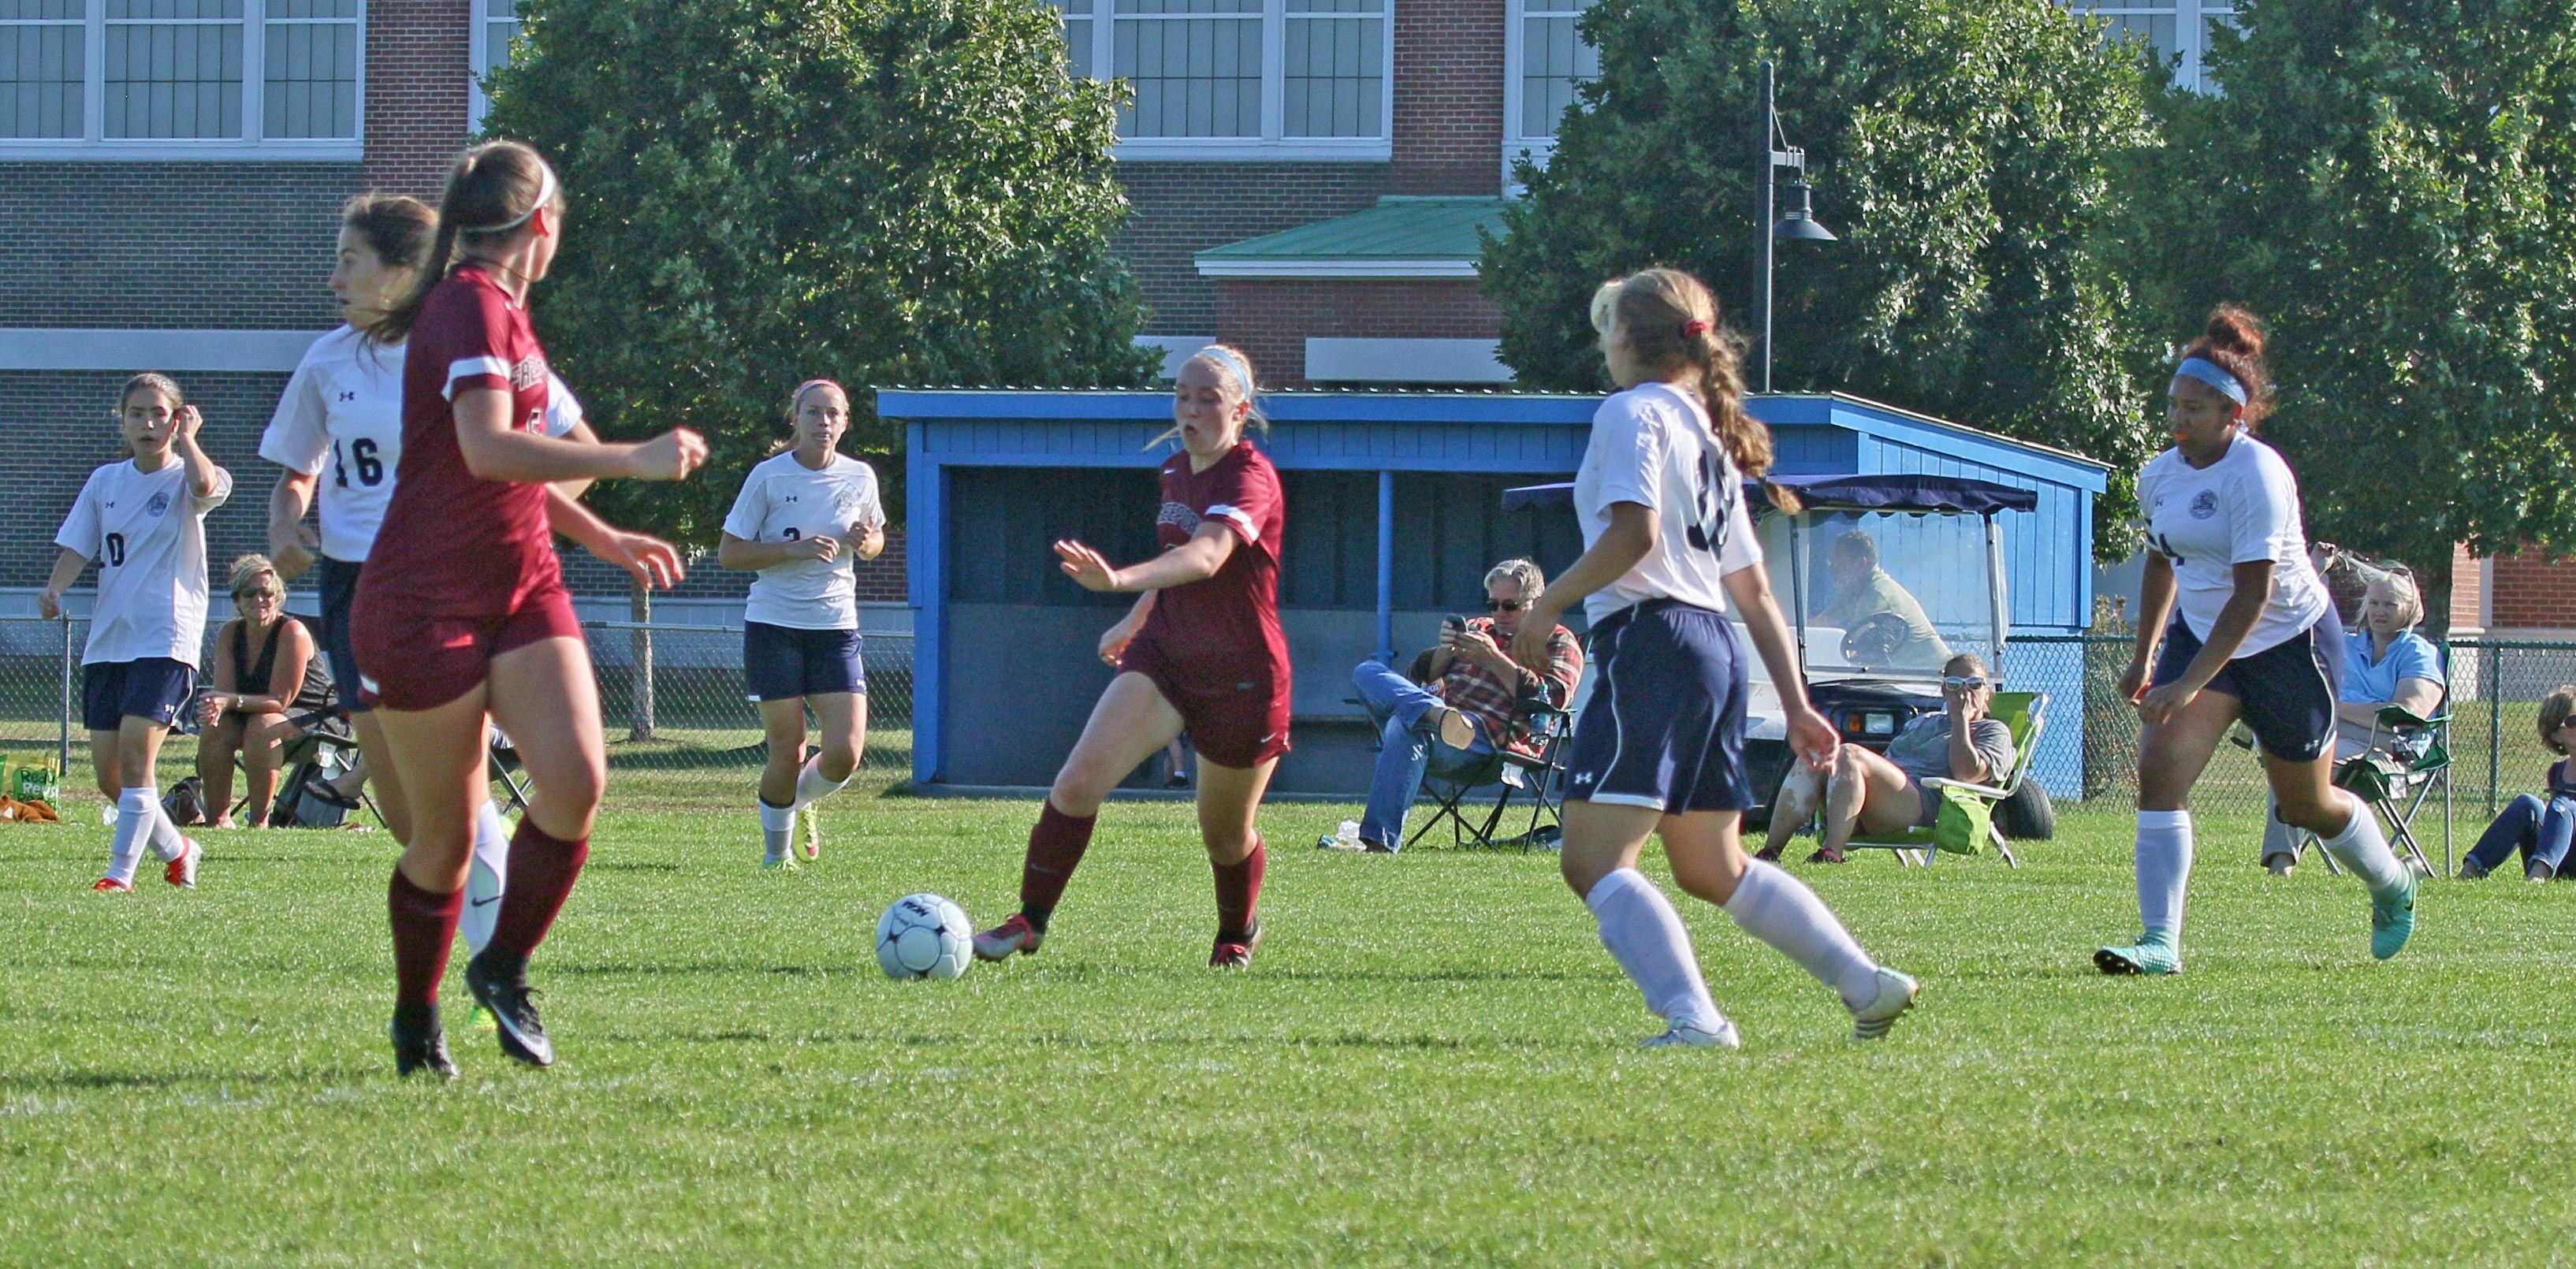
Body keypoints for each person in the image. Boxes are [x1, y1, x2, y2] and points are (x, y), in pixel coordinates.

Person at [354, 140, 704, 1078]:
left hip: (520, 587)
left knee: (578, 779)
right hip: (424, 602)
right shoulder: (469, 301)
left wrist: (601, 535)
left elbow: (506, 470)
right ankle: (415, 1018)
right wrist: (630, 458)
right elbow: (485, 448)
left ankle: (503, 968)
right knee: (443, 841)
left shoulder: (505, 308)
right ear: (541, 223)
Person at [1513, 268, 1918, 1048]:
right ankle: (1865, 983)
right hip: (1713, 648)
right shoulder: (1706, 434)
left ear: (1624, 338)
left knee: (1593, 860)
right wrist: (1796, 704)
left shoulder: (1630, 411)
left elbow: (1634, 534)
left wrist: (1548, 602)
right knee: (1711, 865)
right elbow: (1755, 592)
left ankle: (1695, 1019)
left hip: (1653, 645)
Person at [260, 191, 620, 1030]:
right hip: (365, 590)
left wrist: (519, 522)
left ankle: (498, 978)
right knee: (416, 822)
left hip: (469, 581)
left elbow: (576, 451)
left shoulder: (476, 341)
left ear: (403, 270)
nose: (334, 278)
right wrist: (284, 525)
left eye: (349, 260)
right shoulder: (328, 361)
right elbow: (295, 474)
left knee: (512, 794)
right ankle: (460, 975)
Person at [2097, 305, 2417, 977]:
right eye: (2174, 405)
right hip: (2204, 637)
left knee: (2306, 804)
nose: (2178, 420)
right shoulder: (2160, 475)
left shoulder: (2258, 474)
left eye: (2194, 409)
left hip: (2288, 645)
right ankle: (2160, 943)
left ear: (2232, 414)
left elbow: (2253, 594)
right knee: (2160, 776)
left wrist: (2185, 684)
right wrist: (2146, 655)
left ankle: (2392, 882)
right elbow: (2161, 561)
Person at [972, 343, 1288, 969]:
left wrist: (1118, 581)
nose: (1190, 410)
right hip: (1166, 656)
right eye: (1182, 396)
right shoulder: (1174, 469)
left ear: (1241, 411)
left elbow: (1207, 557)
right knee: (1078, 783)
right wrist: (1136, 616)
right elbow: (1178, 564)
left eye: (1208, 399)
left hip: (1244, 677)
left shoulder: (1250, 477)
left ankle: (1237, 932)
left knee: (1225, 836)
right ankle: (1030, 920)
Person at [39, 373, 231, 892]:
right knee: (111, 778)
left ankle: (118, 875)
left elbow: (205, 489)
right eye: (137, 414)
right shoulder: (105, 481)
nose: (148, 424)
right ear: (122, 421)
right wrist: (54, 589)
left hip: (165, 637)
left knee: (135, 761)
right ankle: (179, 849)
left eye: (159, 414)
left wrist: (190, 440)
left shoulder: (188, 473)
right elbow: (79, 544)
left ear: (177, 418)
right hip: (109, 640)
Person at [717, 378, 886, 870]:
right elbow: (730, 554)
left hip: (835, 627)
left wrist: (866, 541)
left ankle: (800, 802)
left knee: (845, 753)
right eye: (813, 412)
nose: (823, 422)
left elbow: (875, 542)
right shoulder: (769, 477)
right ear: (796, 419)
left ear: (846, 422)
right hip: (775, 626)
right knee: (788, 749)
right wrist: (792, 550)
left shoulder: (860, 476)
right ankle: (776, 857)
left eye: (833, 413)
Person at [1342, 558, 1582, 852]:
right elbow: (1418, 677)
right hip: (1442, 724)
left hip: (1490, 743)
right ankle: (1434, 713)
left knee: (1404, 725)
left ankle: (1380, 842)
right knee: (1367, 672)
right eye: (1493, 605)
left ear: (1538, 602)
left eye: (1510, 606)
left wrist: (1493, 659)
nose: (1499, 613)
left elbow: (1552, 698)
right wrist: (1445, 652)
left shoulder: (1558, 641)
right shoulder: (1478, 628)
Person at [2258, 570, 2442, 875]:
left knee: (2300, 762)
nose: (2379, 611)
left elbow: (2406, 714)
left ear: (2409, 609)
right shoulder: (2346, 645)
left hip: (2391, 749)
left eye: (2390, 604)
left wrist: (2334, 706)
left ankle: (2288, 860)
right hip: (2337, 736)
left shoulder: (2419, 652)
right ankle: (2281, 864)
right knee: (2291, 763)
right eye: (2374, 603)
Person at [1759, 652, 2015, 865]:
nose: (1964, 693)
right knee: (1817, 755)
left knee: (1849, 753)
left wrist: (1961, 723)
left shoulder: (1994, 731)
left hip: (1927, 804)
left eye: (1974, 685)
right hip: (1886, 799)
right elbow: (1891, 761)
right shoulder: (1923, 723)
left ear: (1987, 693)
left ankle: (1831, 853)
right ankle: (1770, 852)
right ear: (1944, 691)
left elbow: (1967, 774)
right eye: (1955, 684)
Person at [195, 555, 335, 828]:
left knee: (263, 726)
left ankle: (259, 821)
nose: (259, 599)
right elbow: (225, 694)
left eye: (267, 593)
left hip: (316, 717)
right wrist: (215, 706)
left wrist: (230, 701)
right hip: (257, 715)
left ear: (278, 597)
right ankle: (218, 820)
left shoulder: (292, 632)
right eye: (250, 593)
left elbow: (279, 701)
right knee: (216, 727)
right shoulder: (229, 633)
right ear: (237, 599)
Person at [2459, 687, 2576, 882]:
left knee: (2562, 805)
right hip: (2559, 858)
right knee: (2527, 803)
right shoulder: (2557, 772)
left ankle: (2538, 878)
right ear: (2556, 735)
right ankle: (2469, 873)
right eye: (2573, 721)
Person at [1811, 529, 1947, 669]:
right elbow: (1821, 622)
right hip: (1901, 674)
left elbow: (1858, 649)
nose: (1832, 566)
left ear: (1861, 564)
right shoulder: (1854, 589)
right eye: (1833, 559)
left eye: (1839, 560)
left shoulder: (1878, 595)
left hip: (1931, 675)